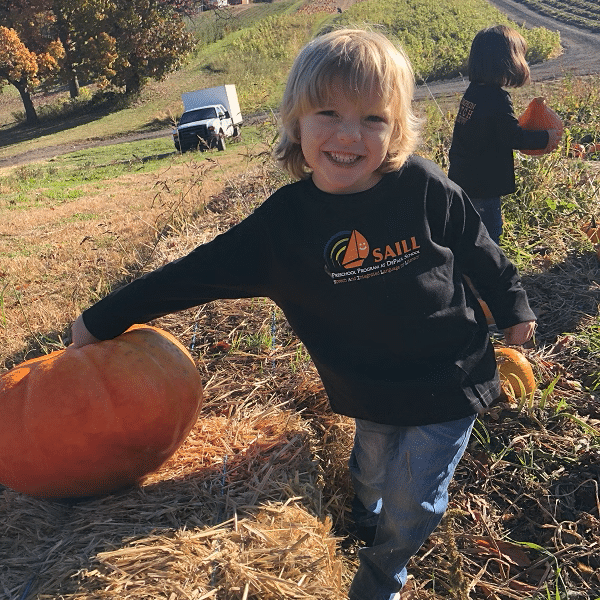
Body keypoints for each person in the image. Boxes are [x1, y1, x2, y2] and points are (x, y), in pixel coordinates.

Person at [70, 28, 536, 600]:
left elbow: (477, 248)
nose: (349, 135)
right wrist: (101, 319)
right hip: (366, 387)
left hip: (451, 374)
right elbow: (192, 274)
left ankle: (382, 571)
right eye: (329, 113)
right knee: (370, 464)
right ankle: (365, 511)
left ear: (396, 128)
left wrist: (513, 304)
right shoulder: (282, 227)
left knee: (416, 493)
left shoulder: (421, 185)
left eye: (373, 119)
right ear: (296, 122)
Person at [448, 24, 562, 244]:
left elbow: (494, 130)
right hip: (483, 183)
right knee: (489, 235)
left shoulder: (474, 92)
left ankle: (468, 270)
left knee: (467, 233)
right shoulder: (497, 99)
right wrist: (547, 137)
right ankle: (488, 274)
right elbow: (513, 137)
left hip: (463, 176)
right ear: (507, 62)